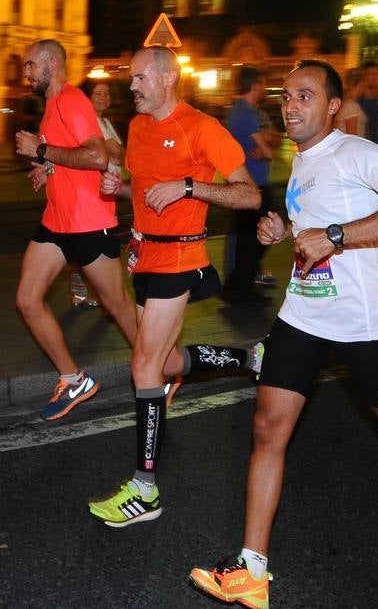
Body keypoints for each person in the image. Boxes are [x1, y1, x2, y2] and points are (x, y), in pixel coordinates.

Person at [189, 60, 378, 607]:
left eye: (305, 96)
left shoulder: (359, 153)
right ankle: (252, 568)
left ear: (333, 106)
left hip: (359, 324)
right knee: (267, 428)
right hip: (302, 317)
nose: (291, 105)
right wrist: (283, 230)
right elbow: (312, 232)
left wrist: (336, 235)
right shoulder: (302, 162)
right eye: (288, 96)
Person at [89, 47, 264, 528]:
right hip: (144, 255)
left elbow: (249, 194)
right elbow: (141, 188)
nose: (132, 86)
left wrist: (190, 187)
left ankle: (144, 491)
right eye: (131, 79)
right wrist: (115, 187)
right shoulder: (140, 128)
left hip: (181, 255)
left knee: (143, 363)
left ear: (168, 78)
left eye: (140, 78)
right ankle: (252, 359)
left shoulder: (203, 128)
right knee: (163, 362)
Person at [12, 40, 144, 421]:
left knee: (117, 305)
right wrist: (47, 167)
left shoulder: (71, 100)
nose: (27, 72)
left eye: (32, 64)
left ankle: (161, 370)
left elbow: (97, 155)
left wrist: (41, 152)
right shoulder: (52, 106)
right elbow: (69, 155)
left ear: (53, 63)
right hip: (57, 221)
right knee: (27, 299)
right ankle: (73, 379)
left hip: (88, 222)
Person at [67, 79, 125, 311]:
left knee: (86, 245)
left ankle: (81, 291)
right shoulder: (89, 122)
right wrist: (117, 151)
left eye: (107, 93)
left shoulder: (105, 122)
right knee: (93, 244)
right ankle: (100, 295)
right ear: (87, 98)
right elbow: (114, 151)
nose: (104, 97)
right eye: (98, 93)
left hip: (106, 190)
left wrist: (118, 152)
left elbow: (120, 153)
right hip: (93, 191)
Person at [223, 65, 277, 309]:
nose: (264, 89)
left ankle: (238, 288)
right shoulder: (245, 112)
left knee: (250, 240)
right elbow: (266, 150)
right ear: (256, 86)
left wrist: (262, 148)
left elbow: (265, 144)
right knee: (256, 240)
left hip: (247, 185)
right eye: (263, 85)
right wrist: (264, 149)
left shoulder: (240, 111)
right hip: (251, 187)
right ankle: (239, 288)